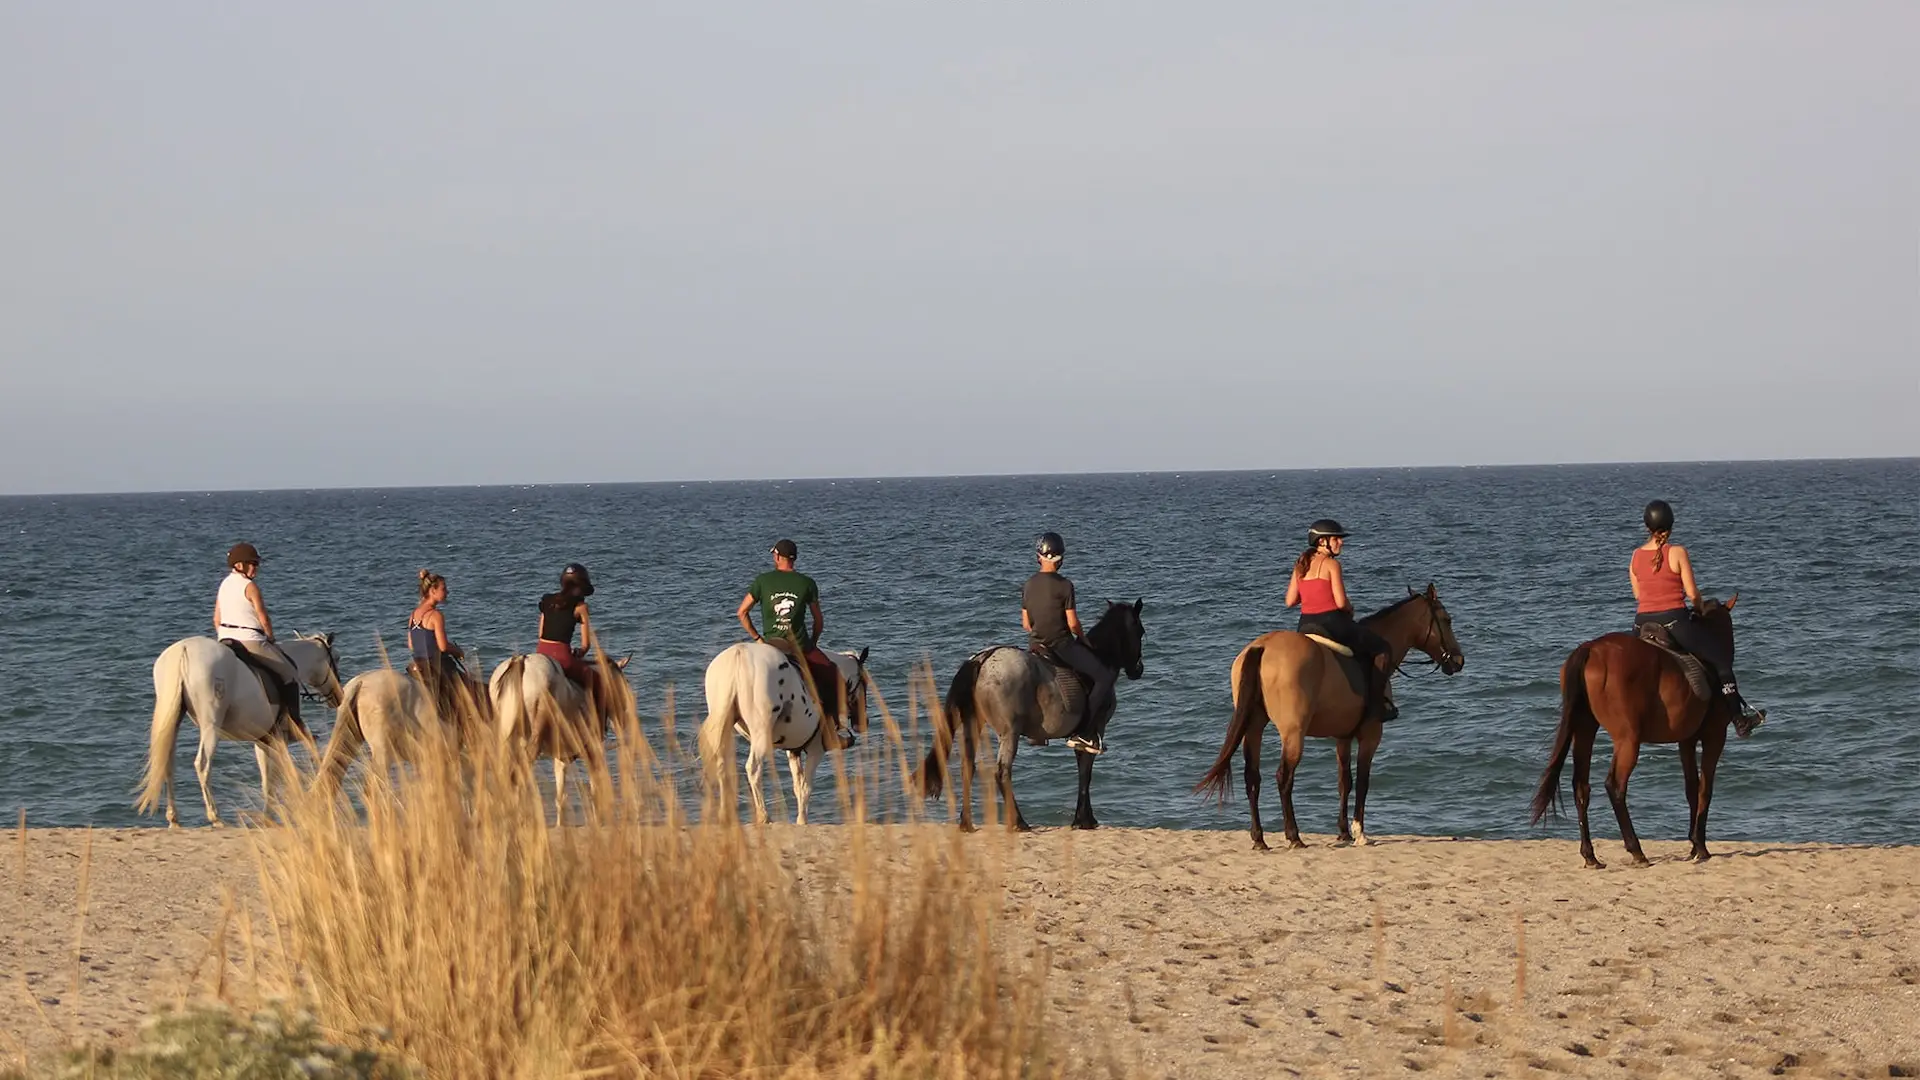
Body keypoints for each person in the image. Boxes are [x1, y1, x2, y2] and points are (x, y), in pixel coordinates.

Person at [1630, 500, 1765, 736]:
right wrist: (1699, 607)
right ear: (1670, 526)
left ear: (1647, 527)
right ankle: (1739, 720)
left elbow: (1638, 595)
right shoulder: (1677, 552)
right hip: (1674, 621)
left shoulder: (1635, 556)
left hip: (1641, 623)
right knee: (1721, 662)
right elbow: (1692, 593)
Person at [736, 539, 853, 747]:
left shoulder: (762, 581)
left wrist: (757, 639)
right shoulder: (807, 583)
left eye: (774, 554)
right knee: (833, 676)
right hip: (799, 646)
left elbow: (742, 612)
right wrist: (813, 643)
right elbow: (818, 621)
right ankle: (834, 731)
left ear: (778, 557)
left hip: (771, 646)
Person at [1284, 519, 1397, 723]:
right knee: (1382, 649)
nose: (1341, 542)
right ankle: (1376, 705)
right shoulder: (1332, 565)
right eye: (1336, 539)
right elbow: (1341, 602)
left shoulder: (1300, 564)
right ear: (1322, 541)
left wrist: (1310, 592)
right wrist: (1350, 609)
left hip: (1305, 624)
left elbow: (1290, 601)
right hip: (1332, 623)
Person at [1021, 531, 1114, 754]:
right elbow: (1072, 624)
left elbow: (1026, 624)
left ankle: (1036, 731)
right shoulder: (1065, 585)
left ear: (1038, 557)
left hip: (1035, 645)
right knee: (1103, 677)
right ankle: (1084, 733)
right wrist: (1083, 639)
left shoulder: (1028, 584)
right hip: (1061, 645)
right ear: (1060, 558)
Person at [212, 542, 304, 734]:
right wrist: (270, 637)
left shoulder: (224, 584)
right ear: (239, 565)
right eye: (252, 564)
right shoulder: (250, 586)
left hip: (225, 640)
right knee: (290, 672)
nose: (256, 568)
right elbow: (263, 618)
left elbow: (217, 619)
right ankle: (293, 726)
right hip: (250, 640)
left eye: (256, 564)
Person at [408, 569, 468, 711]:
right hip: (436, 667)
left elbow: (411, 645)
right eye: (444, 589)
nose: (447, 592)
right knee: (466, 695)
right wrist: (458, 651)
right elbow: (443, 646)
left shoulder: (413, 614)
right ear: (433, 591)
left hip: (418, 664)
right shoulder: (435, 615)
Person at [536, 563, 600, 695]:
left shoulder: (547, 601)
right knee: (597, 680)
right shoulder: (581, 607)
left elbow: (541, 634)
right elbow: (585, 645)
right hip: (562, 657)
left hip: (541, 653)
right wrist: (578, 653)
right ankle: (598, 709)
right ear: (581, 587)